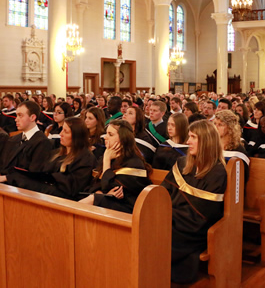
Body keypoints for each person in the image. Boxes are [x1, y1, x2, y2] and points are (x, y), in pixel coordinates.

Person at [160, 120, 228, 284]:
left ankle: (155, 273)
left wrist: (170, 217)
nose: (187, 141)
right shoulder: (183, 164)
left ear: (206, 141)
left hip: (193, 230)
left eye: (193, 137)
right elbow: (163, 193)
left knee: (158, 235)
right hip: (174, 219)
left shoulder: (217, 172)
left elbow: (204, 215)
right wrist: (160, 213)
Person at [0, 117, 97, 200]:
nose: (60, 134)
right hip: (49, 193)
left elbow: (71, 187)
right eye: (62, 130)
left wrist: (47, 178)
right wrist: (5, 175)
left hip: (64, 198)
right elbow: (38, 172)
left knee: (25, 187)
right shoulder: (57, 153)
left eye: (66, 131)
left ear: (77, 136)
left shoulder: (85, 158)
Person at [79, 119, 152, 213]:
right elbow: (95, 184)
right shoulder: (111, 158)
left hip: (129, 208)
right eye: (106, 133)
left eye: (110, 134)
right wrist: (100, 192)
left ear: (123, 138)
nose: (105, 137)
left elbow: (111, 188)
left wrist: (106, 160)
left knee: (94, 199)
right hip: (111, 202)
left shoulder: (134, 163)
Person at [0, 101, 52, 178]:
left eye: (20, 116)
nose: (16, 119)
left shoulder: (42, 142)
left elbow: (34, 175)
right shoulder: (14, 139)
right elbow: (7, 164)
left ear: (32, 117)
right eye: (16, 115)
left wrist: (6, 178)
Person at [214, 110, 250, 186]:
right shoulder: (212, 146)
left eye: (220, 125)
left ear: (230, 128)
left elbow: (241, 179)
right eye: (215, 124)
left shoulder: (238, 151)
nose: (215, 127)